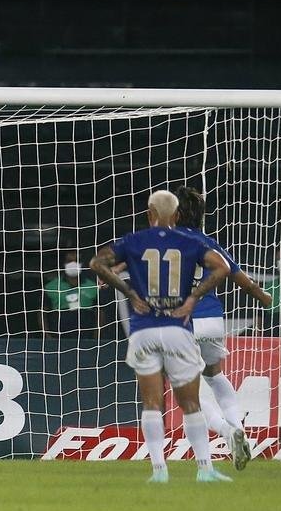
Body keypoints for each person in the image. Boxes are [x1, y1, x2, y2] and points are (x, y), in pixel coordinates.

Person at [90, 189, 232, 483]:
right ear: (177, 216)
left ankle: (159, 471)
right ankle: (205, 469)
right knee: (190, 403)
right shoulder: (190, 242)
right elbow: (222, 267)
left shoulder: (134, 241)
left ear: (148, 213)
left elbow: (97, 264)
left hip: (144, 330)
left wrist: (129, 292)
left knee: (152, 403)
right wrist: (193, 298)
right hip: (178, 329)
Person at [174, 186, 272, 469]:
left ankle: (228, 432)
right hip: (213, 321)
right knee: (215, 375)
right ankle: (239, 429)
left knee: (186, 393)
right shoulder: (210, 244)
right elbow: (240, 278)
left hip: (185, 323)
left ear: (175, 214)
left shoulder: (168, 244)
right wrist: (264, 298)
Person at [40, 251, 101, 336]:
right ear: (64, 263)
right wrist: (47, 335)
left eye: (76, 261)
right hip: (59, 336)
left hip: (86, 336)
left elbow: (100, 312)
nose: (73, 264)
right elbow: (42, 312)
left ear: (81, 263)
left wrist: (97, 335)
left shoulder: (92, 286)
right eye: (69, 261)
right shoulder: (51, 287)